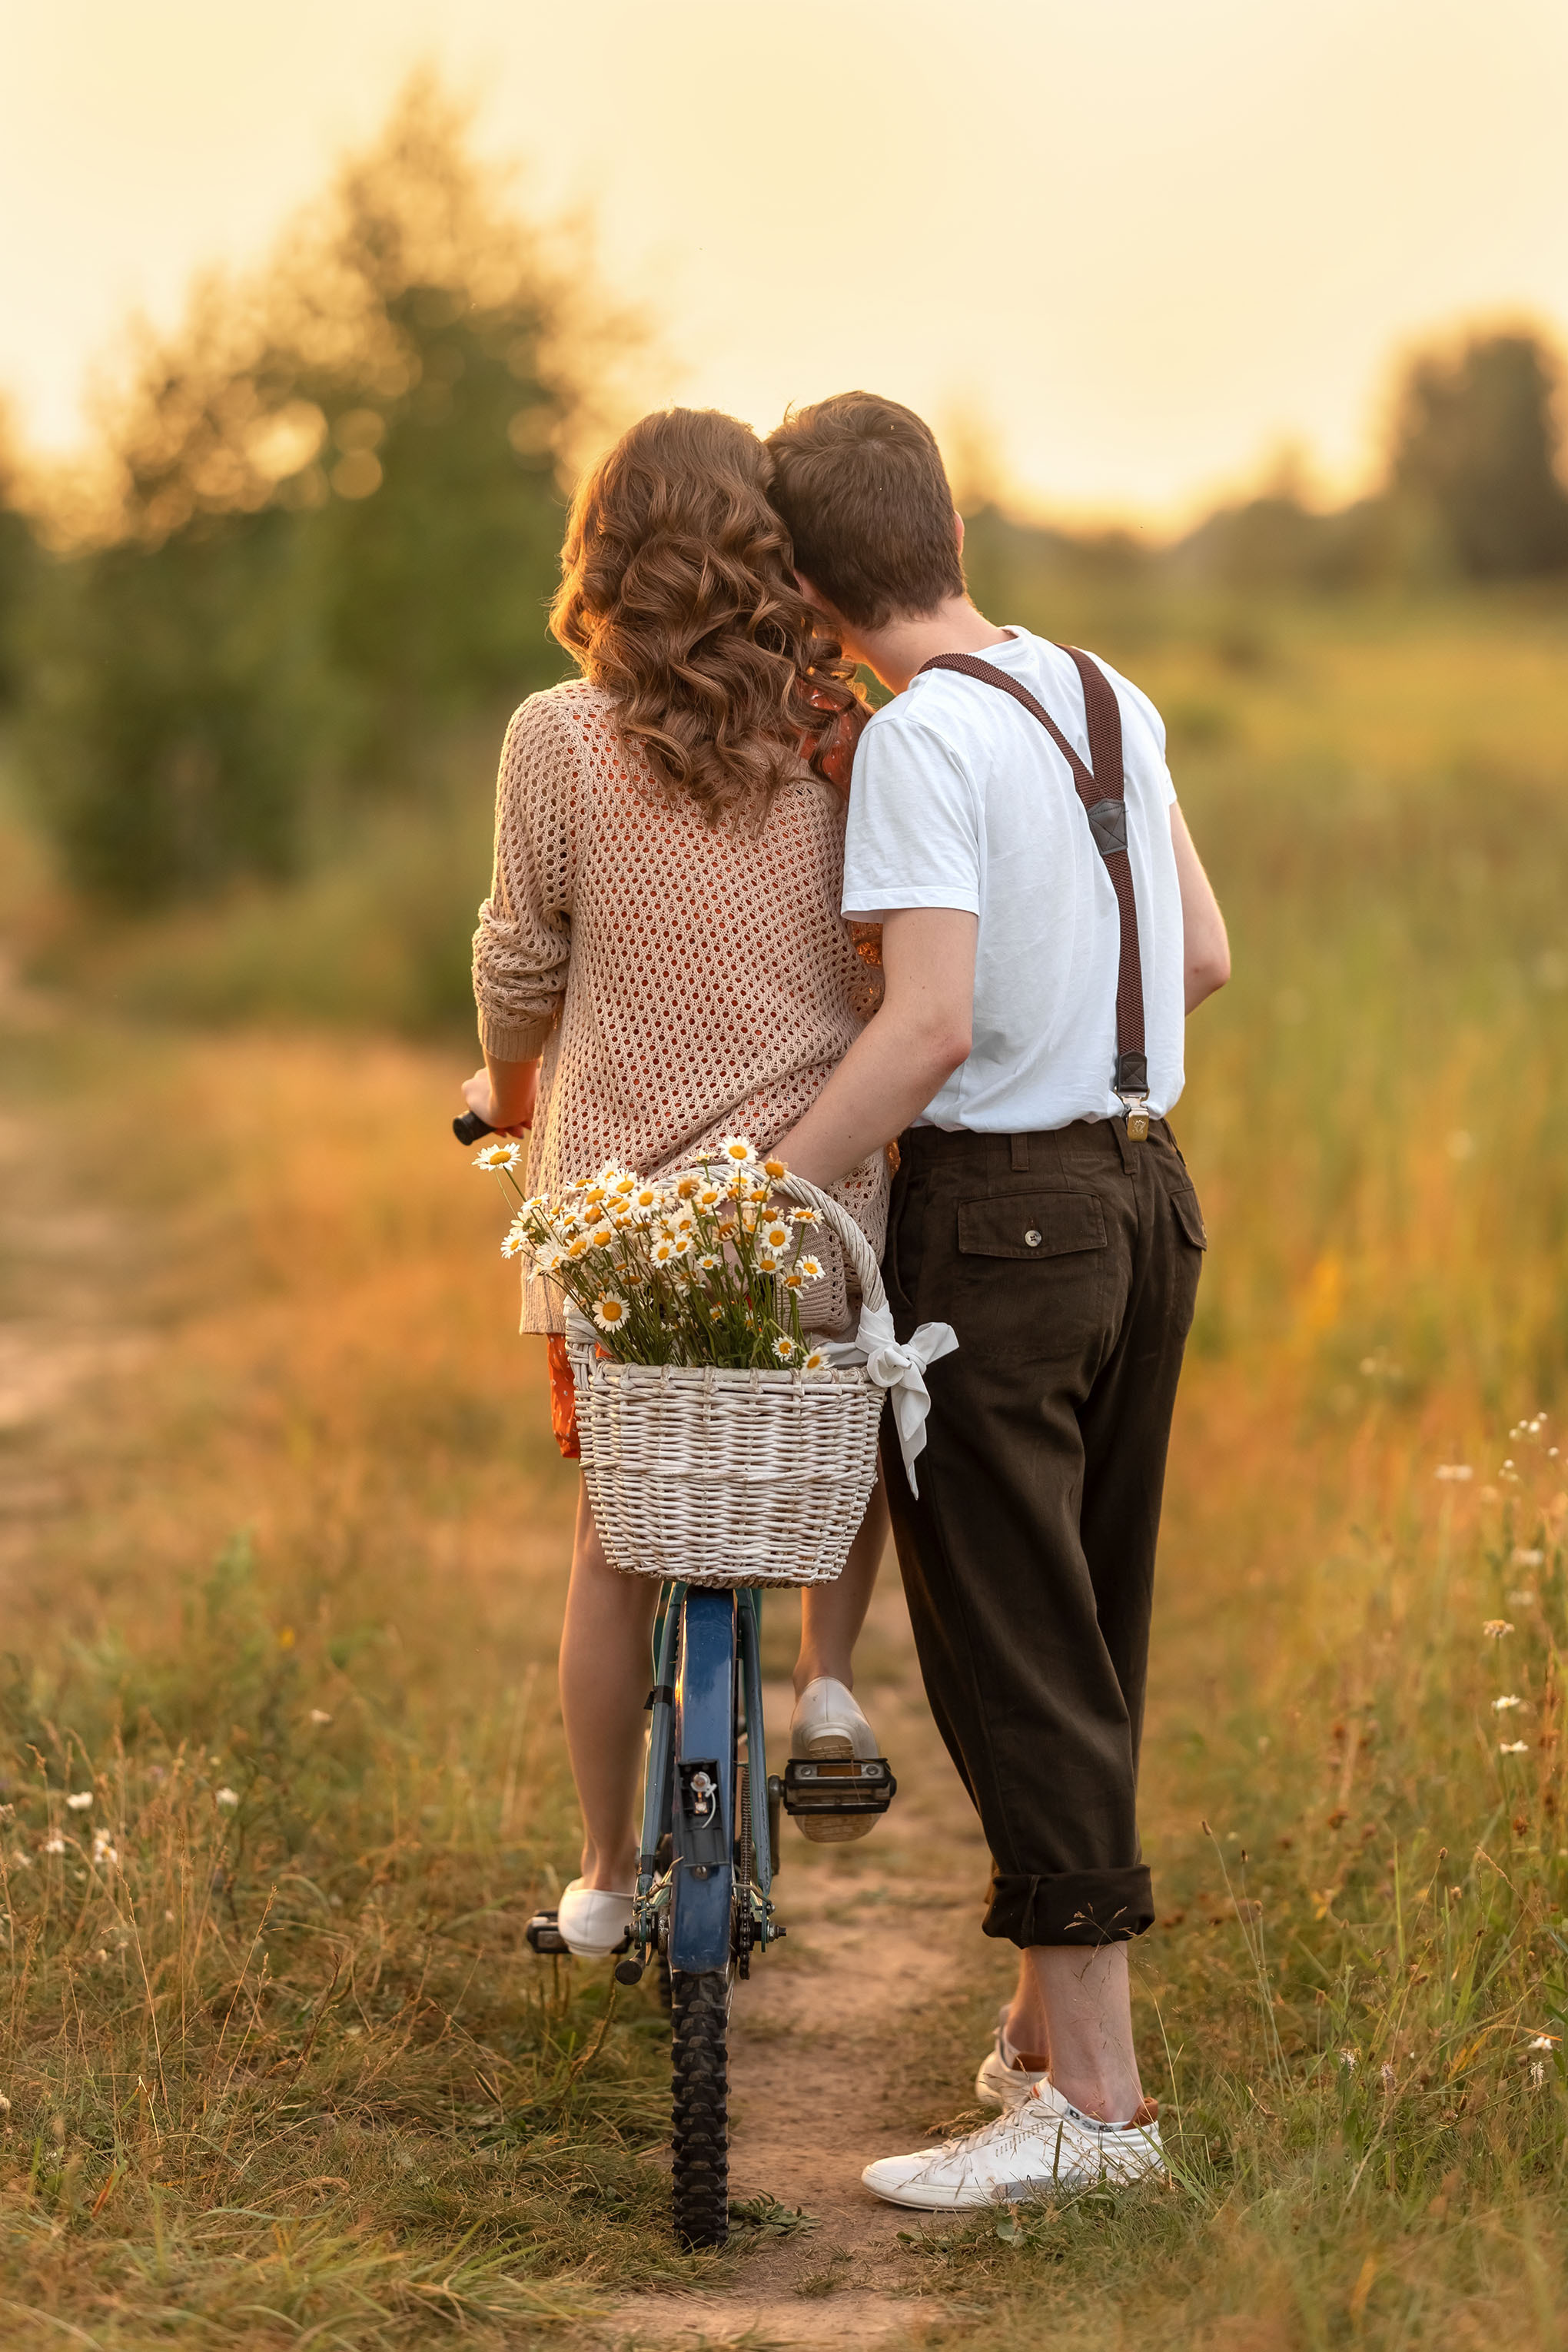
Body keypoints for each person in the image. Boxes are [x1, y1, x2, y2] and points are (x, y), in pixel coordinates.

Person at [765, 392, 1231, 2204]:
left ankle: (1096, 2115)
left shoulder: (919, 745)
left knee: (1018, 1646)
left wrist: (763, 1185)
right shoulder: (1106, 694)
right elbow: (1202, 954)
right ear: (949, 530)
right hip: (1148, 1195)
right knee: (1090, 1625)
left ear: (813, 593)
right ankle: (1047, 2043)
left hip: (1003, 1226)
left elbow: (931, 1028)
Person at [463, 408, 895, 1960]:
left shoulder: (556, 737)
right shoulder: (841, 737)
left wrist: (510, 1103)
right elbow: (887, 963)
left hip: (621, 1232)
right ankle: (827, 1680)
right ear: (769, 552)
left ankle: (599, 1876)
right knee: (836, 1428)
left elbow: (519, 965)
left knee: (615, 1544)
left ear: (602, 554)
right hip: (810, 1207)